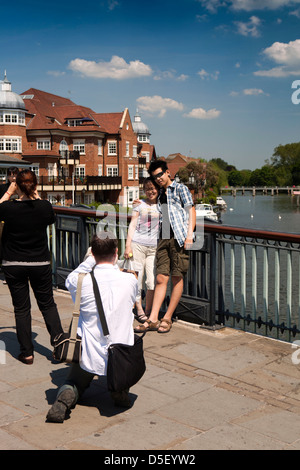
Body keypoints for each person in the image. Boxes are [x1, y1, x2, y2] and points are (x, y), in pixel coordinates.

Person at [46, 231, 138, 423]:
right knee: (131, 342)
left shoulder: (79, 281)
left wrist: (90, 259)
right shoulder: (131, 280)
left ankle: (64, 400)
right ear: (116, 252)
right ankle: (119, 391)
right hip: (120, 354)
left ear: (92, 254)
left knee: (74, 381)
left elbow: (74, 274)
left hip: (88, 350)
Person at [0, 170, 64, 364]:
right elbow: (50, 217)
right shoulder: (44, 206)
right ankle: (60, 348)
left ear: (17, 185)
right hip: (40, 263)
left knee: (21, 308)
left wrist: (10, 191)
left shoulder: (9, 208)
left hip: (14, 263)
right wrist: (36, 195)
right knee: (47, 304)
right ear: (35, 186)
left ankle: (27, 353)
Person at [134, 159, 196, 334]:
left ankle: (167, 317)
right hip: (162, 237)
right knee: (161, 277)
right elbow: (151, 201)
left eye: (160, 174)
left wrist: (189, 235)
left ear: (168, 172)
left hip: (178, 237)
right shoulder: (160, 191)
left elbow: (191, 210)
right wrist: (139, 203)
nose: (158, 178)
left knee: (177, 277)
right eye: (155, 176)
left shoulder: (180, 189)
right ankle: (153, 318)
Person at [124, 177, 160, 322]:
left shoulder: (162, 205)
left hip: (154, 248)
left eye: (153, 189)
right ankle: (139, 309)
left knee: (151, 281)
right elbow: (132, 225)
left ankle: (149, 309)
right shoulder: (139, 205)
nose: (150, 192)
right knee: (137, 281)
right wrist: (127, 245)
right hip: (137, 245)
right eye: (147, 189)